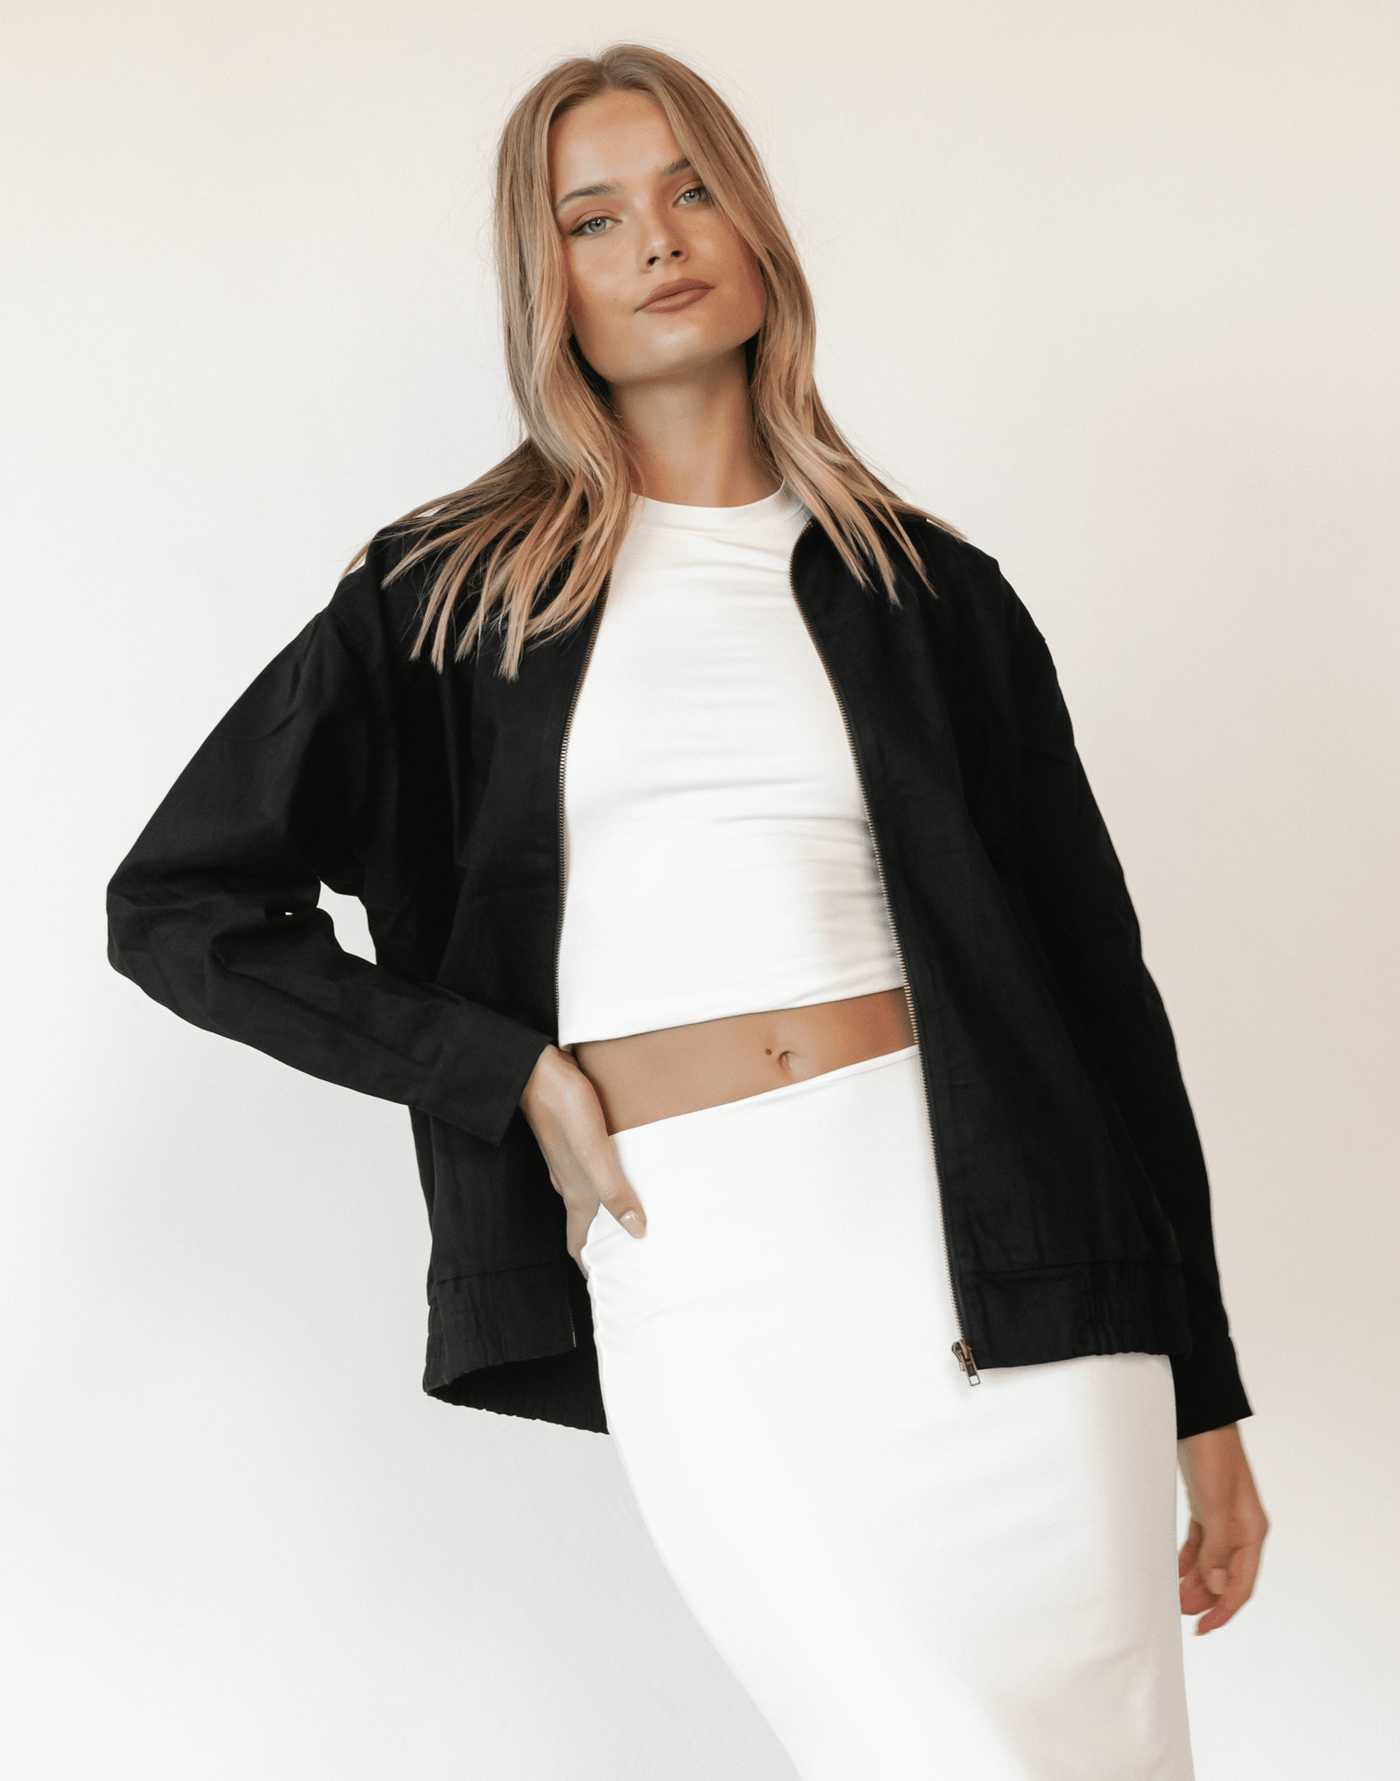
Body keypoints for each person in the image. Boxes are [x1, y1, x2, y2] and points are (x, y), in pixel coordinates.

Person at [106, 42, 1268, 1781]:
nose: (656, 239)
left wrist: (1208, 1393)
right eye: (594, 218)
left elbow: (1104, 1006)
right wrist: (504, 1072)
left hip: (1025, 1278)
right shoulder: (452, 597)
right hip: (714, 1268)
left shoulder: (936, 595)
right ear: (549, 280)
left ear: (754, 226)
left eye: (691, 188)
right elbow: (175, 906)